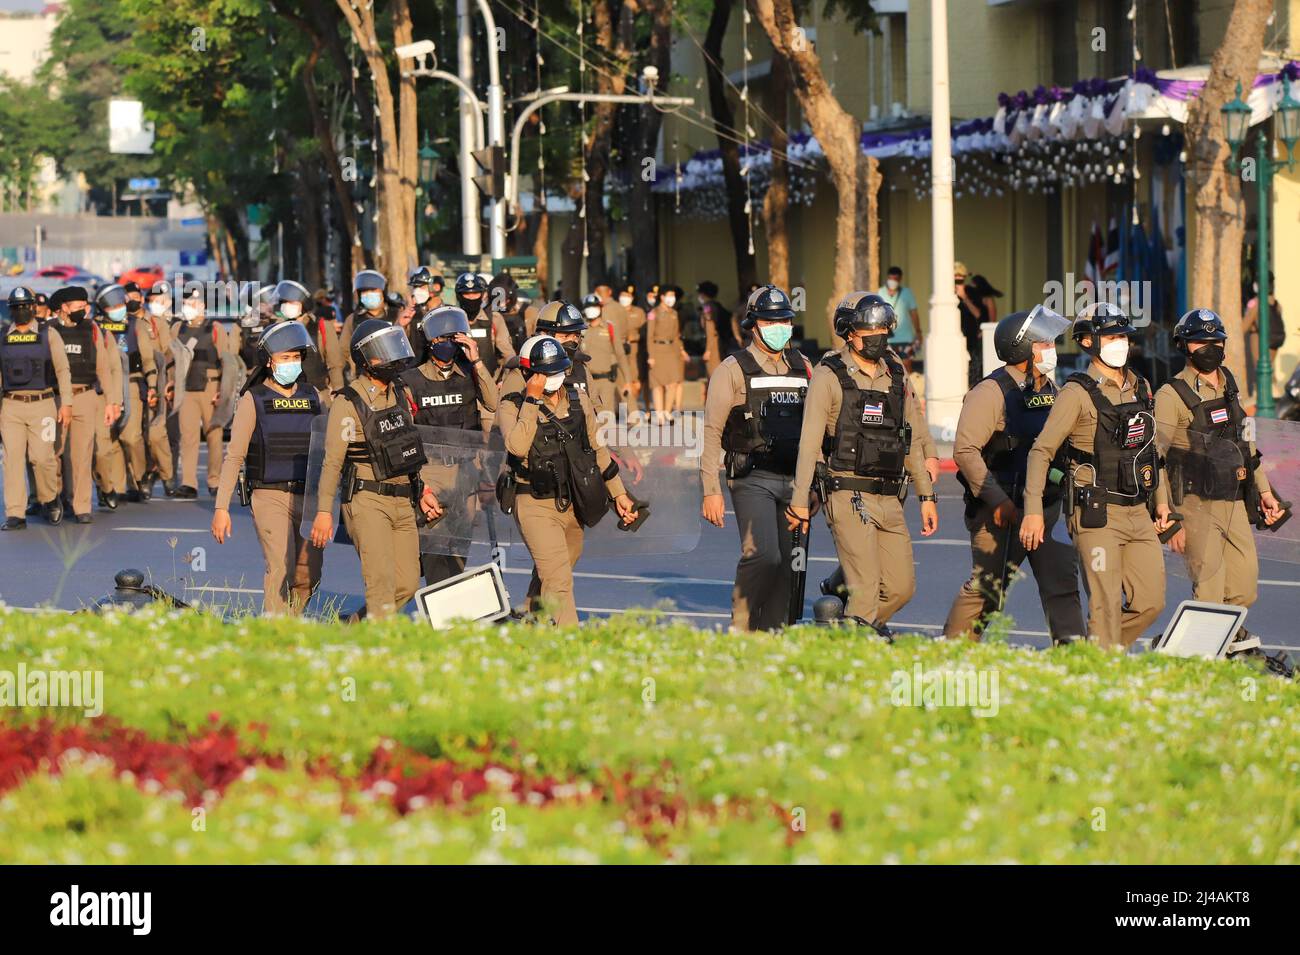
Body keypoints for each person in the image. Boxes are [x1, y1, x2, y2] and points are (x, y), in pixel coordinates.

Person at [1019, 303, 1171, 648]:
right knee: (1104, 606)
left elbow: (1151, 452)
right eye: (1112, 336)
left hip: (1138, 511)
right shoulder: (1076, 393)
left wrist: (1162, 503)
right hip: (1096, 515)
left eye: (1124, 337)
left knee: (1151, 602)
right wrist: (1032, 511)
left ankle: (1095, 654)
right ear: (1089, 341)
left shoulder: (1141, 387)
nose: (1122, 343)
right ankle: (1101, 677)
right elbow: (1041, 452)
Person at [788, 293, 938, 628]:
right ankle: (857, 655)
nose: (878, 334)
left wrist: (927, 496)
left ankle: (847, 632)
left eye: (883, 327)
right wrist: (799, 500)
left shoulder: (896, 374)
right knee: (867, 588)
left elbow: (909, 436)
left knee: (901, 588)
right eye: (868, 328)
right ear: (848, 332)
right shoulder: (829, 375)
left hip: (889, 495)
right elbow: (810, 442)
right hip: (847, 492)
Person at [943, 306, 1084, 643]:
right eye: (1044, 343)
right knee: (988, 588)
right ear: (1022, 349)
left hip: (1045, 507)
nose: (1051, 348)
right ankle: (951, 654)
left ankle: (1076, 659)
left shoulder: (1050, 386)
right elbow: (964, 452)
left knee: (1061, 583)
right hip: (1002, 511)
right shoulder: (991, 392)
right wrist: (999, 501)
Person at [497, 335, 638, 625]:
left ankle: (530, 626)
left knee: (555, 573)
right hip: (533, 501)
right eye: (544, 373)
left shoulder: (578, 398)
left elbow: (597, 450)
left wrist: (619, 494)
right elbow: (517, 447)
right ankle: (570, 645)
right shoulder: (513, 406)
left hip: (573, 502)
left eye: (557, 371)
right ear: (528, 373)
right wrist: (533, 399)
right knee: (559, 581)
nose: (553, 378)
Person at [310, 320, 441, 619]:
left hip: (403, 500)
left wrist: (422, 491)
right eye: (384, 351)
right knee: (380, 584)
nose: (392, 357)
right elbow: (332, 462)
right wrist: (322, 512)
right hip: (367, 501)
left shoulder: (399, 393)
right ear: (365, 359)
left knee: (407, 584)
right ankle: (378, 653)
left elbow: (407, 450)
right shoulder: (348, 401)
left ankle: (356, 627)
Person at [1156, 309, 1285, 610]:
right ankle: (1203, 654)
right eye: (1200, 342)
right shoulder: (1171, 394)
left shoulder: (1230, 383)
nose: (1209, 348)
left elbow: (1246, 443)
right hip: (1194, 503)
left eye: (1216, 341)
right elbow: (1156, 457)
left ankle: (1222, 638)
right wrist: (1168, 516)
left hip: (1234, 500)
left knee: (1244, 588)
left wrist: (1265, 491)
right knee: (1210, 591)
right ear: (1183, 346)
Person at [701, 285, 812, 631]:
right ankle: (742, 624)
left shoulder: (804, 366)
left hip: (795, 480)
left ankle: (772, 633)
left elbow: (817, 430)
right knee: (764, 555)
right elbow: (711, 430)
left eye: (784, 320)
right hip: (752, 477)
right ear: (753, 325)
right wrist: (710, 489)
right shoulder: (733, 369)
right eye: (769, 321)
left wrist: (814, 487)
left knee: (789, 565)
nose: (778, 327)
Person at [211, 321, 325, 615]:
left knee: (306, 574)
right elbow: (234, 456)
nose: (292, 363)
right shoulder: (255, 399)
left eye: (296, 357)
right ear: (270, 361)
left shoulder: (313, 396)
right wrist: (221, 508)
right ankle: (276, 634)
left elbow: (329, 449)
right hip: (269, 494)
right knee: (280, 567)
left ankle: (290, 623)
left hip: (307, 496)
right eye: (285, 357)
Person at [401, 305, 498, 587]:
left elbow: (492, 402)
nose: (446, 347)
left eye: (451, 340)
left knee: (458, 550)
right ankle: (440, 619)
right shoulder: (411, 380)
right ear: (430, 343)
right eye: (439, 340)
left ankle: (449, 614)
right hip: (430, 470)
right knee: (435, 551)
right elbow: (407, 436)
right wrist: (419, 484)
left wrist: (477, 362)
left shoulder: (469, 374)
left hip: (466, 472)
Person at [1, 286, 72, 529]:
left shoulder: (48, 333)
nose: (21, 311)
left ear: (33, 307)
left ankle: (49, 499)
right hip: (11, 406)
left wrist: (67, 405)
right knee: (12, 461)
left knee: (42, 458)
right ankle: (15, 513)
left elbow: (63, 370)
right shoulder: (2, 336)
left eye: (24, 306)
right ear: (11, 310)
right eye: (16, 307)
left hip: (43, 404)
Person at [51, 286, 122, 523]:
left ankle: (82, 506)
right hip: (57, 398)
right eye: (78, 307)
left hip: (85, 395)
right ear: (64, 308)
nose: (83, 310)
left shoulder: (92, 330)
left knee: (82, 455)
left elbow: (103, 367)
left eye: (85, 306)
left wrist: (112, 402)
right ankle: (57, 497)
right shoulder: (49, 330)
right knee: (55, 453)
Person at [93, 283, 160, 505]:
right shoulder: (96, 328)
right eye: (114, 304)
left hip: (131, 382)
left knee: (131, 436)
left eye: (121, 302)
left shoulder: (135, 325)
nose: (120, 307)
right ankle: (116, 486)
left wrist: (152, 384)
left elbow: (148, 358)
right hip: (104, 386)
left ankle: (141, 477)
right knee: (110, 439)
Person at [171, 288, 238, 498]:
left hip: (210, 386)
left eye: (191, 303)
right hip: (186, 389)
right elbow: (172, 360)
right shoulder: (177, 328)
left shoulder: (215, 328)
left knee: (213, 435)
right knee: (188, 437)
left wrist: (222, 391)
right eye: (185, 303)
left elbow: (227, 362)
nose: (187, 307)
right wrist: (171, 384)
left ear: (202, 306)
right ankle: (188, 483)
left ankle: (214, 480)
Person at [139, 281, 176, 498]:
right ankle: (146, 476)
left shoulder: (161, 324)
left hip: (159, 381)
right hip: (136, 381)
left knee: (156, 432)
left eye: (160, 301)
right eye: (152, 301)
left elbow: (168, 356)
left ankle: (166, 474)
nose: (156, 305)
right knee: (137, 435)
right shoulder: (137, 322)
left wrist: (169, 384)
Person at [277, 279, 344, 401]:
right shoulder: (278, 328)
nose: (287, 306)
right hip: (286, 397)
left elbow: (335, 364)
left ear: (304, 303)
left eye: (292, 302)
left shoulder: (321, 326)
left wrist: (339, 392)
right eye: (284, 302)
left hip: (318, 396)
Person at [455, 272, 514, 382]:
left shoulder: (494, 319)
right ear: (459, 296)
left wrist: (504, 381)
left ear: (482, 295)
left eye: (475, 293)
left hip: (490, 383)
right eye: (466, 294)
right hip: (459, 385)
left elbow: (508, 355)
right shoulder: (451, 320)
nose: (471, 298)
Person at [578, 293, 630, 415]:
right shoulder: (581, 329)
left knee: (606, 418)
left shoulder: (609, 328)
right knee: (588, 419)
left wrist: (627, 380)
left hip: (606, 380)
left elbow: (620, 354)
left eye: (595, 306)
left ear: (600, 308)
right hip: (586, 380)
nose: (592, 310)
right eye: (589, 307)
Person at [647, 283, 687, 422]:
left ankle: (667, 410)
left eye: (673, 296)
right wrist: (651, 356)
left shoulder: (674, 313)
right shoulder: (653, 313)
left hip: (672, 350)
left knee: (673, 382)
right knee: (657, 384)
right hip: (658, 350)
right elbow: (649, 337)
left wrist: (681, 351)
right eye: (669, 295)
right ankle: (659, 413)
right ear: (662, 297)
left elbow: (676, 335)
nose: (672, 298)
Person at [341, 270, 389, 378]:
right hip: (363, 377)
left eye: (372, 290)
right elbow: (344, 351)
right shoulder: (353, 319)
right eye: (364, 291)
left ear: (383, 292)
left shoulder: (397, 315)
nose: (368, 294)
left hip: (393, 374)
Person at [1243, 272, 1285, 393]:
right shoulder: (1276, 304)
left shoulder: (1257, 305)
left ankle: (1262, 398)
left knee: (1260, 371)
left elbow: (1244, 327)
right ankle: (1276, 396)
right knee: (1270, 370)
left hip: (1259, 339)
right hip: (1275, 340)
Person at [878, 266, 922, 374]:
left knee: (907, 365)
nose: (893, 281)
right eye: (891, 278)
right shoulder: (880, 292)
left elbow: (914, 313)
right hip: (886, 338)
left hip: (905, 337)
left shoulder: (907, 293)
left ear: (900, 279)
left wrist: (918, 332)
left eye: (896, 279)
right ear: (887, 278)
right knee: (887, 367)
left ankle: (909, 389)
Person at [697, 281, 731, 394]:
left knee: (713, 375)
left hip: (713, 345)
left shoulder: (707, 307)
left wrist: (708, 350)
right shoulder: (717, 305)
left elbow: (710, 329)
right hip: (720, 343)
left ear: (703, 294)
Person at [955, 262, 985, 387]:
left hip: (971, 337)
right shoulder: (944, 294)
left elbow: (978, 314)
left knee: (974, 373)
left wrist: (964, 297)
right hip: (954, 338)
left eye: (960, 281)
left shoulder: (971, 292)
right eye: (955, 281)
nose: (957, 285)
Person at [618, 283, 647, 413]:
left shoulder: (639, 312)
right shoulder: (615, 311)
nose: (626, 298)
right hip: (618, 349)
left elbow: (645, 331)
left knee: (635, 379)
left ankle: (632, 407)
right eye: (624, 295)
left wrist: (633, 336)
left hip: (634, 350)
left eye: (629, 296)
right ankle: (624, 408)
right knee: (621, 379)